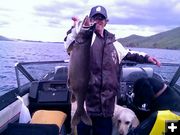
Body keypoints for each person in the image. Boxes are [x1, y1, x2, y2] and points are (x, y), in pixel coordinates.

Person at [64, 5, 161, 135]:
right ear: (91, 20)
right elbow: (69, 44)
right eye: (95, 18)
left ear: (106, 21)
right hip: (87, 104)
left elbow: (129, 54)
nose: (98, 20)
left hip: (107, 106)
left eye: (101, 18)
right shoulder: (85, 38)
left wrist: (148, 58)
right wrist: (75, 29)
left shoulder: (114, 44)